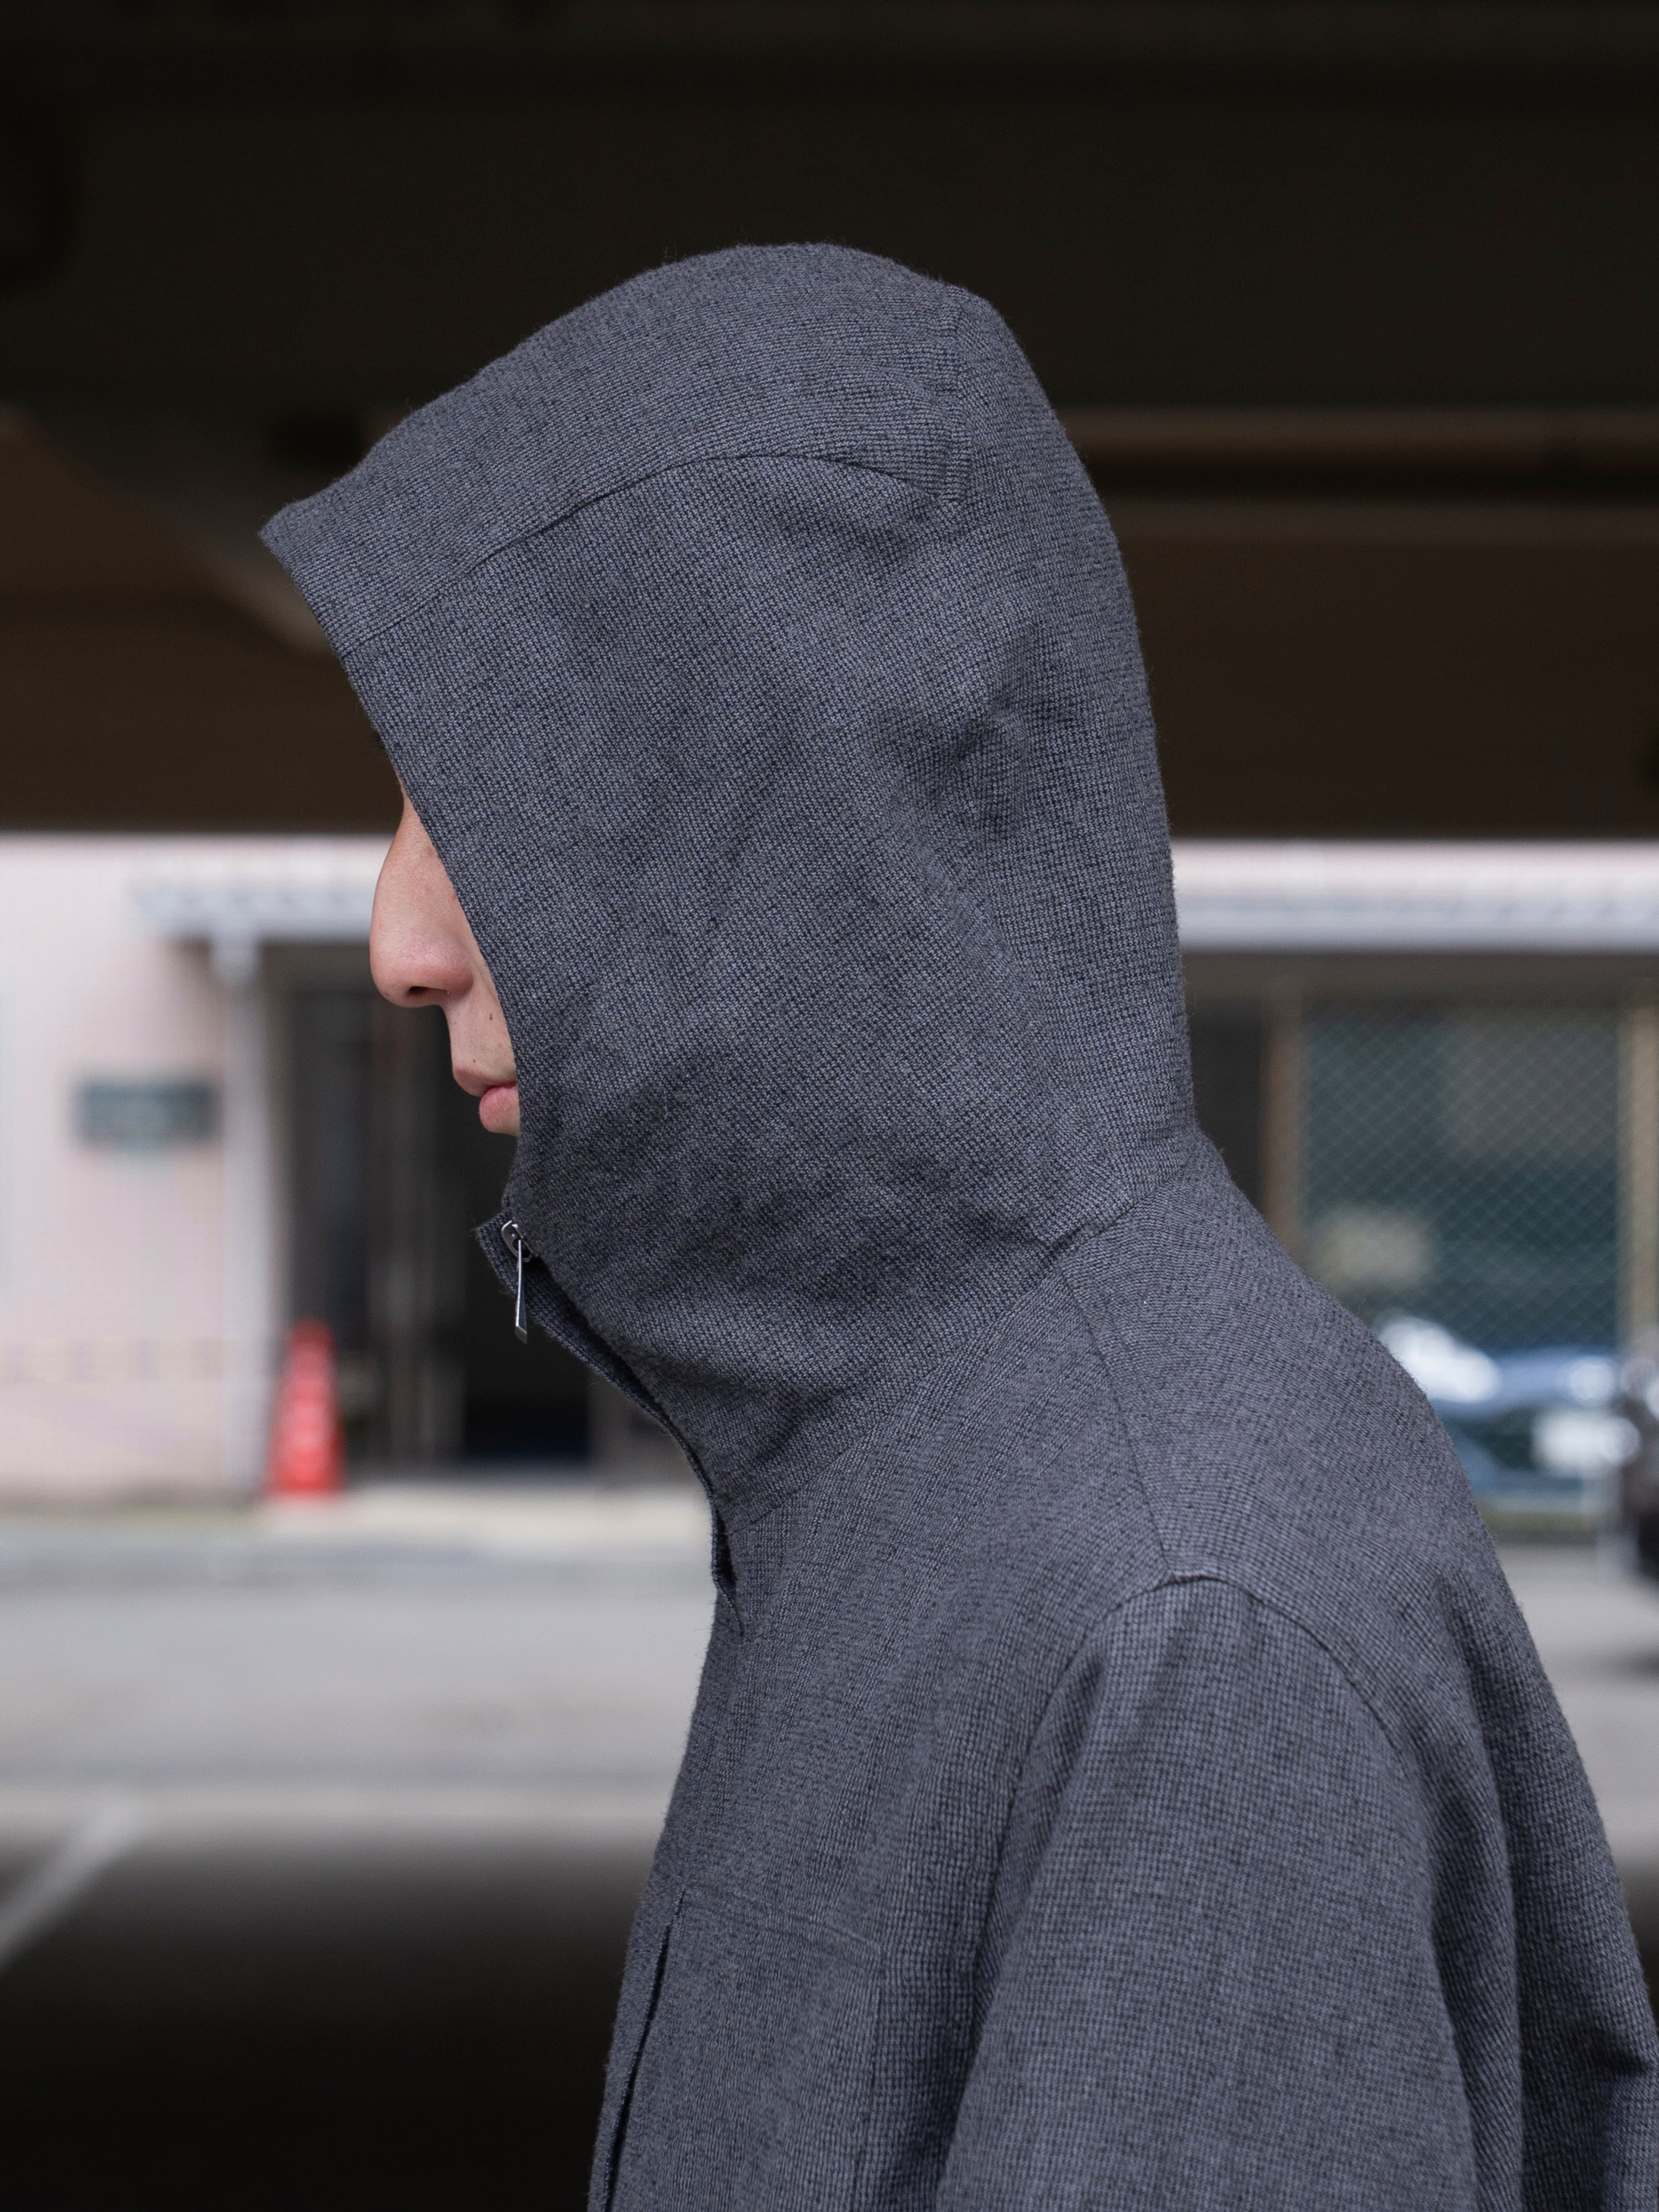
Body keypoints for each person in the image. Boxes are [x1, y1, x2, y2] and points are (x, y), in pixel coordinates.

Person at [265, 246, 1658, 2210]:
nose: (397, 940)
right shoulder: (915, 1459)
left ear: (791, 808)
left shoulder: (1182, 1624)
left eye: (489, 801)